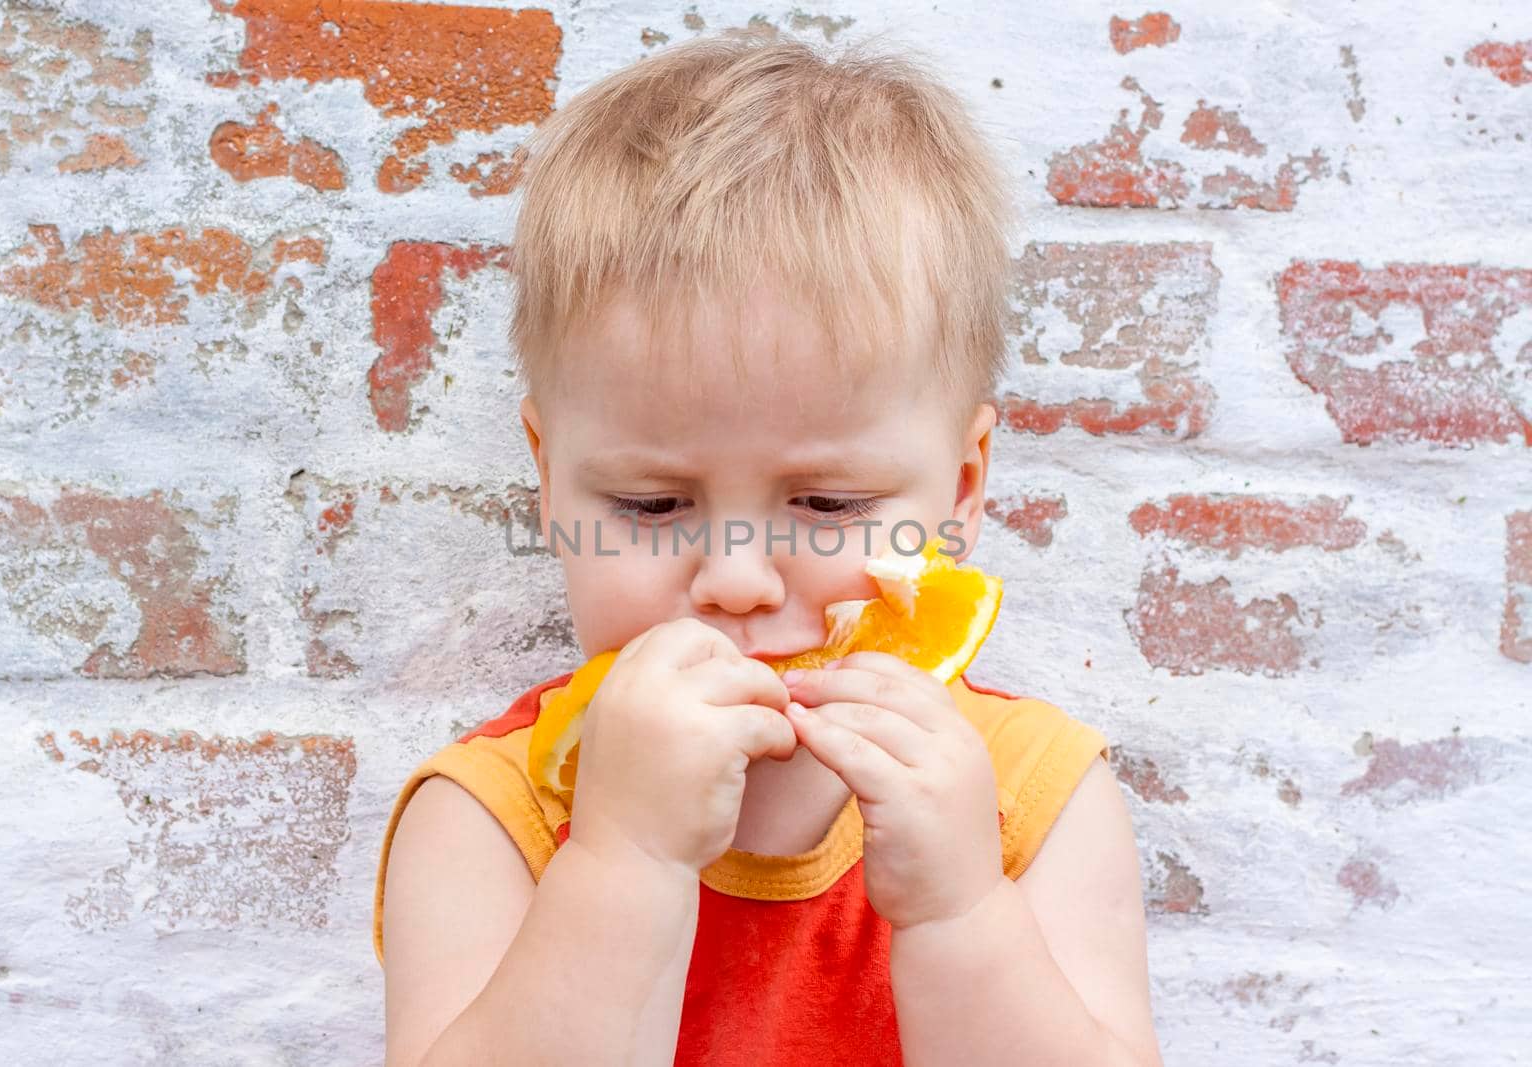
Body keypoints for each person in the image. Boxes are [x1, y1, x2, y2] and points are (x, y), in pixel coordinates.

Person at [373, 27, 1161, 1067]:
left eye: (827, 502)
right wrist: (626, 860)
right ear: (549, 473)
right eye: (654, 504)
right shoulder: (493, 814)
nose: (738, 578)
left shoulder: (1029, 792)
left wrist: (960, 911)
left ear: (962, 487)